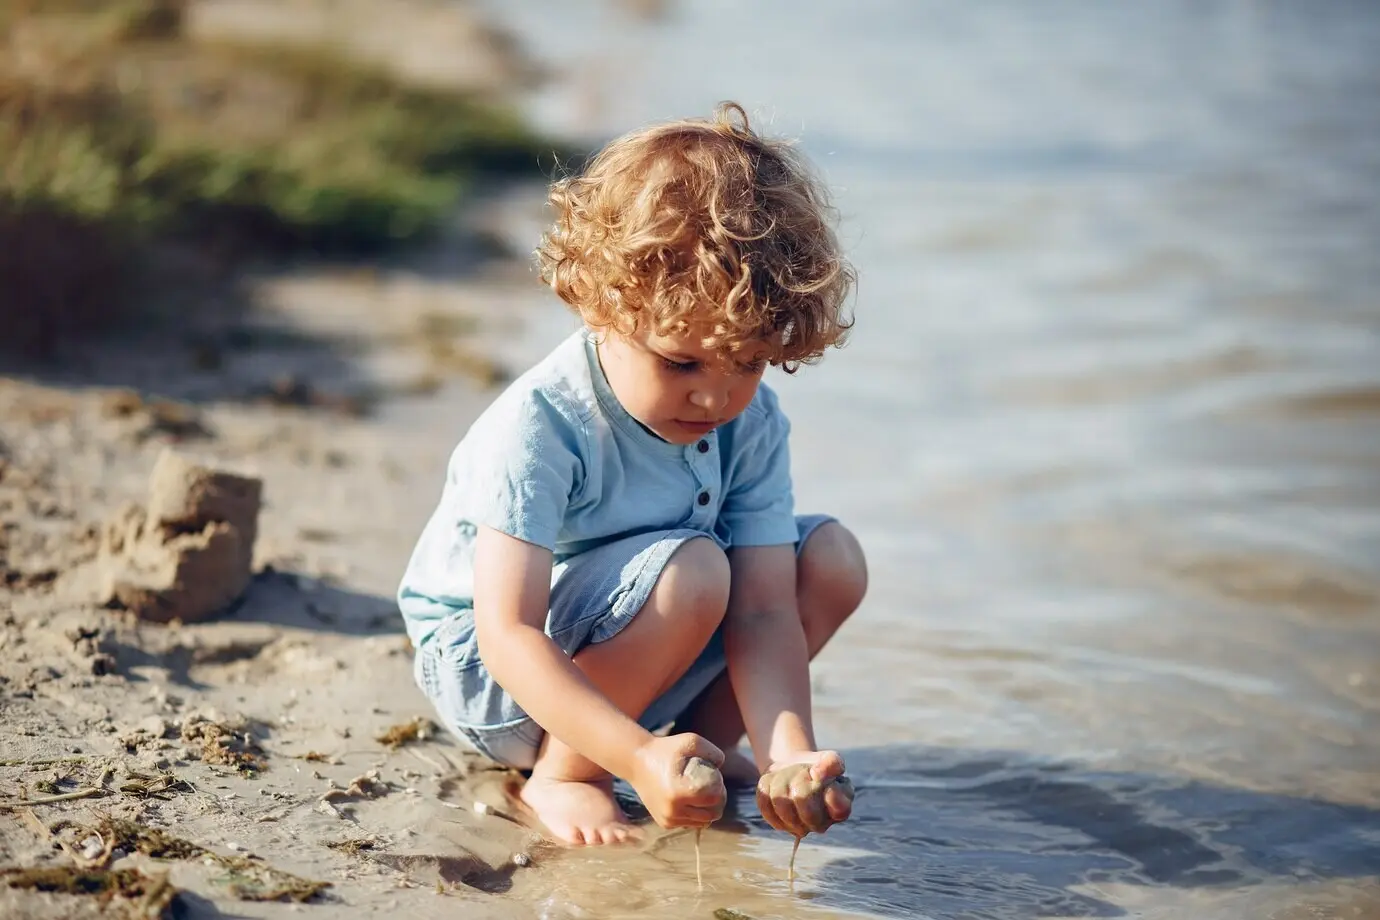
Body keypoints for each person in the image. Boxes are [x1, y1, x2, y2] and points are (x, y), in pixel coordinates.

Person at [398, 102, 867, 846]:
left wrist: (792, 755)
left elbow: (766, 613)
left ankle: (705, 752)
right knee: (697, 570)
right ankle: (569, 774)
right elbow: (507, 632)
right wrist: (630, 755)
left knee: (831, 561)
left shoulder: (752, 423)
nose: (714, 395)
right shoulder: (542, 425)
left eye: (746, 361)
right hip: (503, 683)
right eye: (681, 361)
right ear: (601, 305)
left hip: (643, 646)